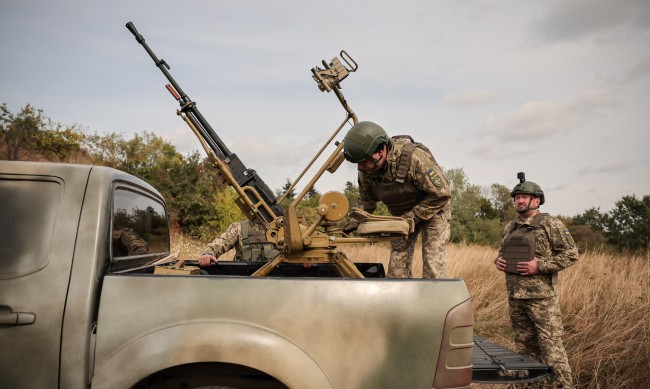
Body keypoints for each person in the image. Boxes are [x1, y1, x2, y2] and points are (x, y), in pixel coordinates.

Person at [495, 172, 578, 388]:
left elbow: (571, 254)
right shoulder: (510, 226)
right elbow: (502, 252)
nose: (519, 201)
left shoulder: (550, 224)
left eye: (524, 197)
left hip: (541, 300)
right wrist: (499, 261)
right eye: (516, 197)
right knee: (525, 351)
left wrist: (539, 266)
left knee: (553, 352)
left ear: (537, 200)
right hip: (516, 299)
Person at [341, 121, 451, 279]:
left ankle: (435, 302)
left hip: (434, 210)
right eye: (358, 163)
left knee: (433, 265)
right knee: (396, 270)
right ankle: (401, 302)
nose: (360, 167)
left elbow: (441, 193)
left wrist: (410, 218)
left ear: (381, 151)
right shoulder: (366, 169)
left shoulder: (414, 158)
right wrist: (353, 222)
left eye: (364, 161)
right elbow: (367, 200)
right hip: (401, 216)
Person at [197, 220, 280, 266]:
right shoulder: (240, 228)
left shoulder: (283, 230)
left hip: (274, 283)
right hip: (243, 281)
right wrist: (208, 254)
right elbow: (221, 242)